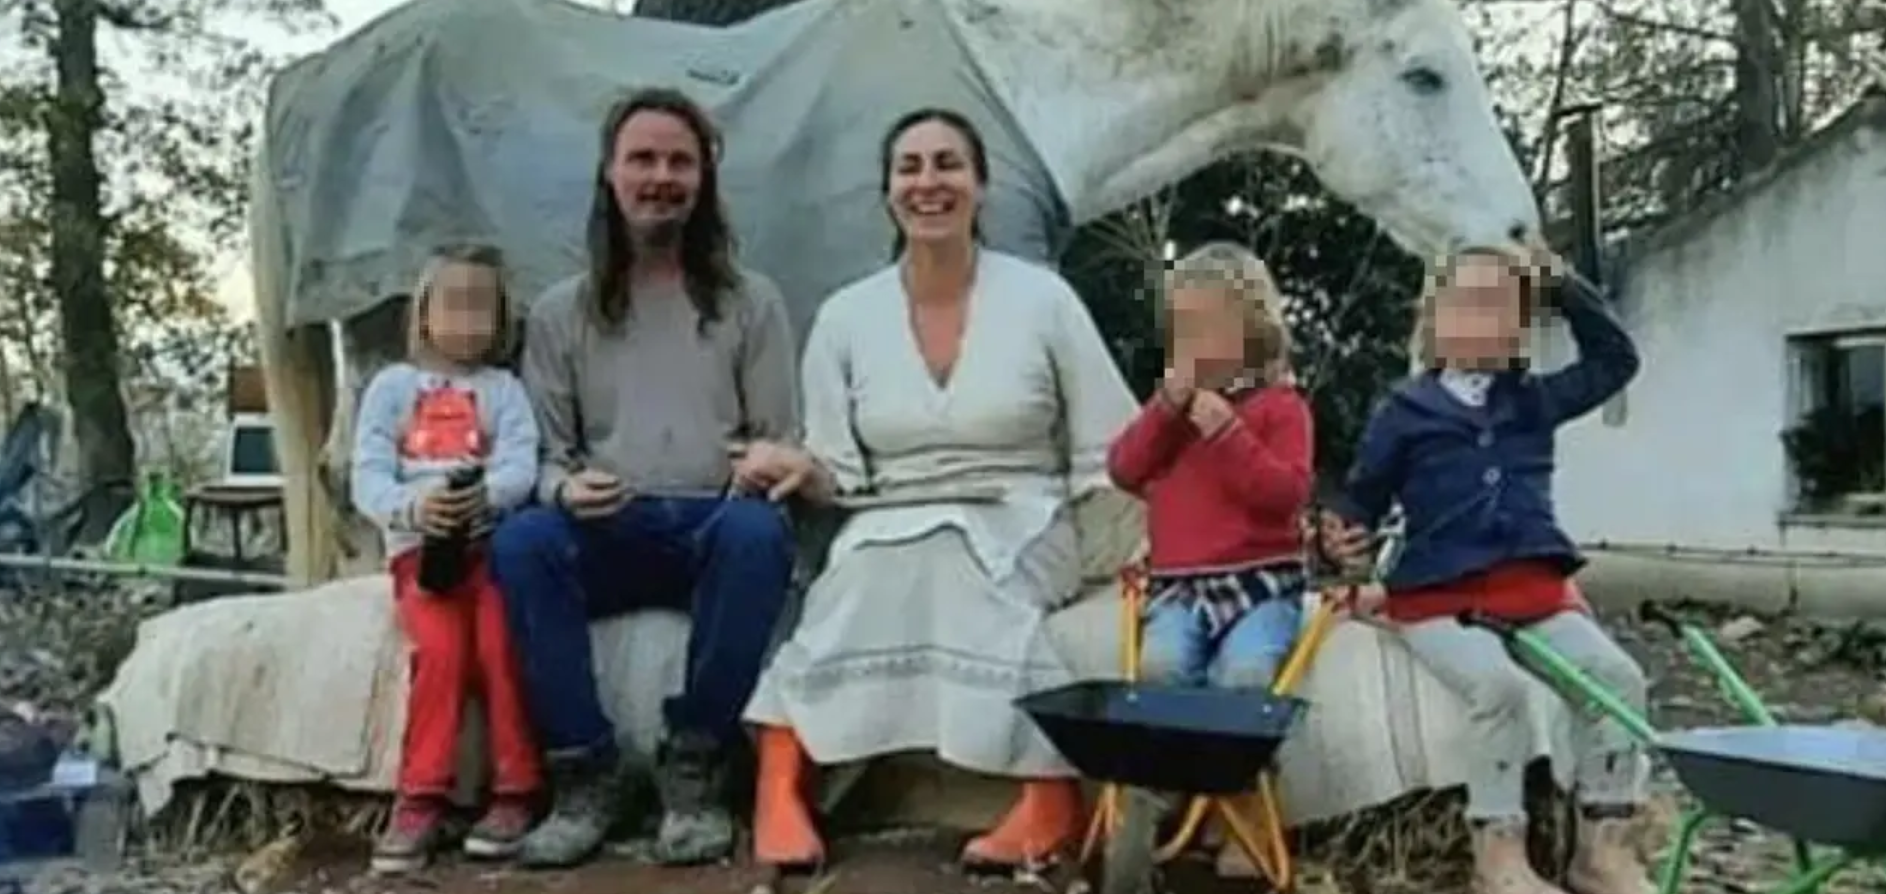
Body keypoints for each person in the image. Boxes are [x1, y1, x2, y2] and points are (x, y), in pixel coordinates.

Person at [733, 107, 1139, 874]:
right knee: (861, 571)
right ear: (887, 190)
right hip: (886, 517)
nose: (929, 183)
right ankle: (779, 780)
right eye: (910, 167)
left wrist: (1131, 540)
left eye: (948, 164)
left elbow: (1109, 446)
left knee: (953, 555)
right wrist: (797, 468)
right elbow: (838, 469)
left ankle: (1049, 790)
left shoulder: (1045, 299)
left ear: (980, 186)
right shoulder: (846, 316)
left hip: (1024, 513)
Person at [490, 87, 800, 869]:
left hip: (711, 523)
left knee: (759, 532)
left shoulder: (751, 302)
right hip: (608, 526)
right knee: (524, 541)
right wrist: (565, 489)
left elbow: (778, 438)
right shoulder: (560, 312)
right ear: (610, 172)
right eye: (643, 159)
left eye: (679, 162)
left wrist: (762, 465)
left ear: (704, 178)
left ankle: (696, 769)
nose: (661, 177)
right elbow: (544, 455)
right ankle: (584, 773)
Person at [1320, 244, 1650, 894]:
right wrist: (1344, 535)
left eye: (1504, 308)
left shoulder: (1534, 400)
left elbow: (1617, 361)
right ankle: (1497, 853)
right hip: (1436, 597)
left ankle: (1600, 849)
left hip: (1533, 588)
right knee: (1499, 688)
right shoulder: (1404, 412)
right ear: (1435, 319)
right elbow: (1362, 499)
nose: (1486, 319)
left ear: (1521, 327)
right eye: (1469, 304)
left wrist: (1565, 288)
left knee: (1617, 678)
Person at [350, 243, 542, 874]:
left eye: (482, 306)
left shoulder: (504, 391)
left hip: (489, 548)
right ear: (424, 312)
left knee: (500, 645)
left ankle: (516, 790)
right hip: (422, 553)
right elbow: (368, 477)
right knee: (441, 652)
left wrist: (485, 496)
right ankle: (420, 796)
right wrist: (414, 508)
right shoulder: (392, 388)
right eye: (453, 304)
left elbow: (521, 466)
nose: (467, 318)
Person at [1107, 241, 1314, 692]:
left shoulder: (1281, 407)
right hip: (1180, 588)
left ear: (1253, 334)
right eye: (1181, 332)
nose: (1189, 347)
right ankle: (1173, 742)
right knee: (1160, 669)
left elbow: (1286, 496)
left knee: (1245, 674)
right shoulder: (1172, 416)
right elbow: (1124, 470)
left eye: (1205, 331)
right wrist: (1163, 410)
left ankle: (1240, 740)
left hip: (1260, 583)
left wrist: (1229, 437)